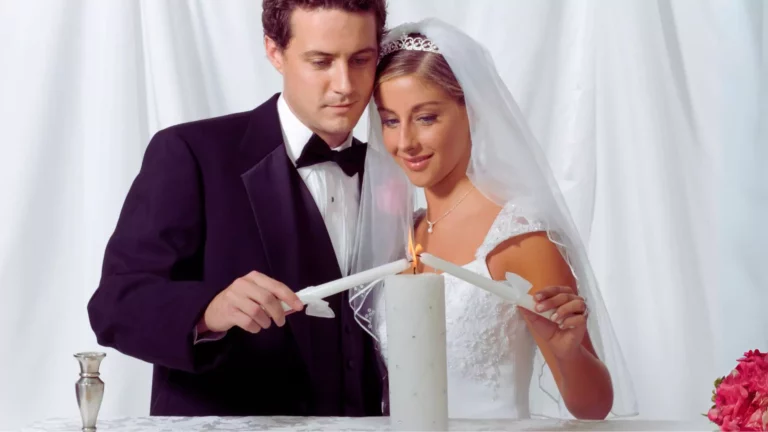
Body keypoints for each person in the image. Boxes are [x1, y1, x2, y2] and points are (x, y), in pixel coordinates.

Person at [87, 0, 389, 417]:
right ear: (274, 51)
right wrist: (207, 311)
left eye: (361, 59)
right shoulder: (191, 153)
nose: (345, 85)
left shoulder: (395, 170)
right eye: (321, 61)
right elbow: (114, 305)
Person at [349, 19, 638, 420]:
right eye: (391, 120)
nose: (404, 142)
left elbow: (593, 408)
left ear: (472, 111)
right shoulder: (406, 233)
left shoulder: (517, 238)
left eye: (427, 117)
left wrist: (568, 353)